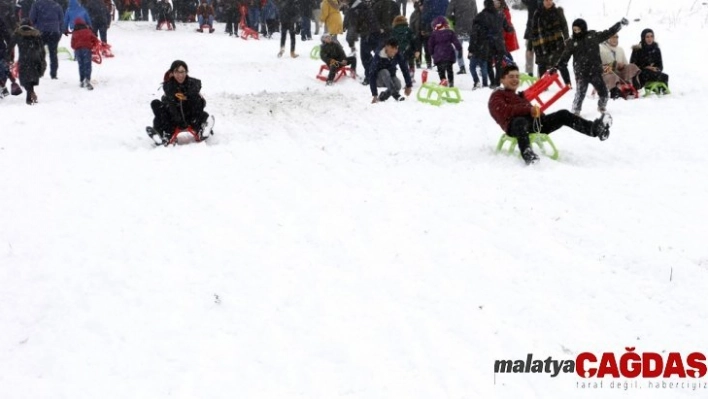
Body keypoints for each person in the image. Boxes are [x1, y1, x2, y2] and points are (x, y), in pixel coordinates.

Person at [488, 65, 611, 165]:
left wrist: (538, 113)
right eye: (511, 77)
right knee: (520, 121)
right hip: (515, 127)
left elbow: (531, 110)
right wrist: (528, 110)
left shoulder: (520, 96)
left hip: (535, 124)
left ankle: (595, 129)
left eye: (517, 77)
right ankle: (527, 153)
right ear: (502, 79)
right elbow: (503, 111)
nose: (515, 79)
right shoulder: (497, 96)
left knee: (563, 114)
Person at [557, 18, 627, 115]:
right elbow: (564, 58)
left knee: (604, 93)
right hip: (581, 73)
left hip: (595, 71)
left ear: (583, 28)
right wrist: (557, 66)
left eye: (578, 29)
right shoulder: (572, 42)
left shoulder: (593, 36)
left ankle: (601, 106)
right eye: (574, 30)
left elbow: (609, 32)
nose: (577, 32)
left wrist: (620, 24)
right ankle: (575, 111)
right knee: (580, 94)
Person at [149, 60, 213, 144]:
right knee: (156, 103)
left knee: (198, 101)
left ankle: (204, 128)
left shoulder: (193, 83)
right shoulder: (169, 86)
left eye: (183, 72)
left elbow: (199, 101)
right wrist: (179, 121)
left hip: (192, 117)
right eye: (177, 72)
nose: (180, 75)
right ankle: (161, 135)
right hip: (174, 119)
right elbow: (171, 104)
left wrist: (187, 96)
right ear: (172, 73)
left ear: (186, 72)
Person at [530, 0, 569, 85]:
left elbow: (564, 25)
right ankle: (541, 85)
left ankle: (568, 83)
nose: (548, 2)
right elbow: (533, 30)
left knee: (561, 63)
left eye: (550, 0)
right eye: (546, 0)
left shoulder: (558, 11)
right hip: (542, 44)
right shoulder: (537, 13)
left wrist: (566, 38)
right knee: (542, 65)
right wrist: (532, 45)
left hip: (556, 42)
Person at [369, 37, 412, 102]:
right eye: (392, 48)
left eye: (396, 48)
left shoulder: (397, 54)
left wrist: (408, 85)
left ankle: (382, 97)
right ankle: (396, 95)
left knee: (398, 85)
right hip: (379, 80)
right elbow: (372, 74)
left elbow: (404, 68)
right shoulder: (378, 56)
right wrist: (374, 94)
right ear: (386, 47)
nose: (394, 51)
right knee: (384, 72)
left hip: (390, 77)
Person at [14, 19, 46, 104]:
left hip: (23, 58)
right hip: (35, 58)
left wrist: (8, 57)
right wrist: (42, 59)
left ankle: (30, 94)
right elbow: (41, 48)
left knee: (24, 78)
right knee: (31, 78)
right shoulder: (36, 34)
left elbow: (10, 46)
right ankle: (30, 94)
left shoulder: (18, 34)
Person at [29, 0, 63, 79]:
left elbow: (32, 18)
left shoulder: (36, 4)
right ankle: (53, 74)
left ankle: (40, 71)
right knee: (53, 54)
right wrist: (59, 32)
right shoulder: (56, 5)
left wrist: (35, 27)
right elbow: (61, 20)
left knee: (39, 53)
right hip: (54, 31)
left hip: (41, 31)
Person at [599, 32, 640, 97]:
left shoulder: (620, 49)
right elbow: (599, 68)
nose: (615, 39)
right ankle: (615, 91)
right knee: (612, 76)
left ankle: (633, 85)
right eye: (613, 37)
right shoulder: (601, 49)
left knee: (632, 66)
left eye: (616, 37)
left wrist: (622, 65)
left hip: (620, 73)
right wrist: (614, 66)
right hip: (607, 74)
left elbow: (626, 65)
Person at [445, 0, 477, 74]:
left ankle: (462, 67)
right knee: (474, 47)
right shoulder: (472, 1)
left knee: (458, 48)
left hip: (459, 28)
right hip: (471, 28)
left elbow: (448, 14)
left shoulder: (454, 1)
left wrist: (455, 18)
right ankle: (475, 65)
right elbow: (476, 14)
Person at [427, 16, 460, 86]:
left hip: (438, 54)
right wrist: (459, 48)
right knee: (449, 69)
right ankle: (451, 82)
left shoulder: (434, 34)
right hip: (449, 53)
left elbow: (430, 44)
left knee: (441, 70)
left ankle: (443, 81)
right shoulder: (450, 32)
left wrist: (431, 52)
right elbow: (456, 41)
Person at [70, 16, 98, 89]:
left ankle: (82, 80)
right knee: (87, 64)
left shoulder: (74, 33)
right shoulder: (88, 31)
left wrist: (76, 47)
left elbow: (72, 44)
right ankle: (87, 79)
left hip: (78, 50)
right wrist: (92, 45)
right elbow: (95, 39)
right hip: (86, 49)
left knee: (81, 65)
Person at [520, 0, 537, 76]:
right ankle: (530, 72)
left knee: (543, 55)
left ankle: (543, 75)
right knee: (529, 52)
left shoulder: (545, 2)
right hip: (530, 29)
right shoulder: (531, 2)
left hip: (543, 31)